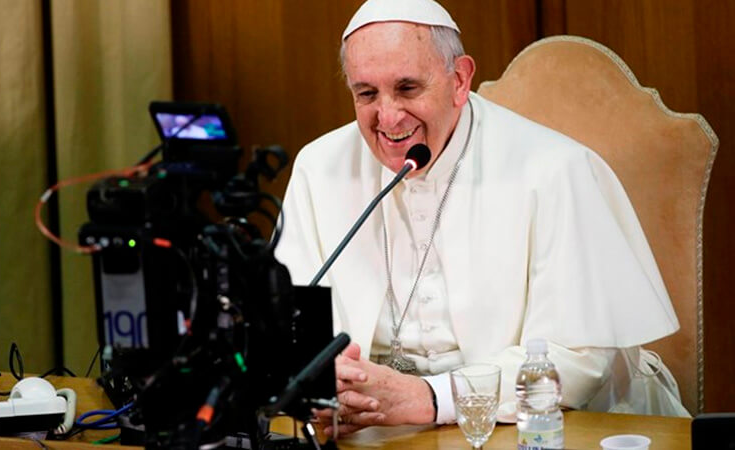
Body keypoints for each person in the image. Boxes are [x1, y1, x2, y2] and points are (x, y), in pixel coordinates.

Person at [275, 0, 688, 437]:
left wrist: (431, 398)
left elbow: (577, 360)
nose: (389, 117)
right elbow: (288, 326)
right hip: (375, 429)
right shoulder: (319, 168)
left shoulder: (553, 168)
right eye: (367, 94)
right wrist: (323, 382)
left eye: (408, 89)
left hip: (544, 425)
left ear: (459, 80)